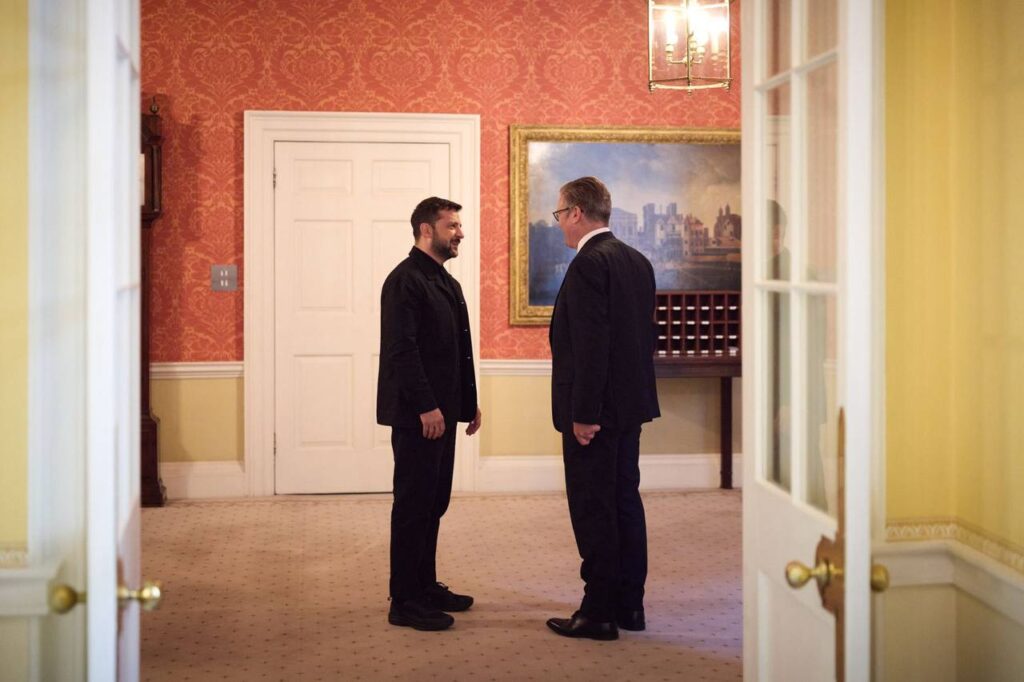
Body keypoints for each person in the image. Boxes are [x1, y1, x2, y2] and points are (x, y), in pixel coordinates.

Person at [545, 177, 661, 641]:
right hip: (629, 406)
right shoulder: (637, 260)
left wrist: (584, 413)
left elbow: (591, 347)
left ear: (576, 212)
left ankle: (597, 611)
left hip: (596, 414)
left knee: (594, 507)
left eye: (560, 214)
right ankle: (630, 605)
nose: (559, 223)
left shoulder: (588, 264)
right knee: (624, 501)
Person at [377, 196, 482, 631]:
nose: (460, 233)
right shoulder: (404, 281)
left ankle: (424, 585)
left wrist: (468, 403)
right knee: (413, 504)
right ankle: (404, 600)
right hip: (418, 415)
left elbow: (457, 350)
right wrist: (426, 406)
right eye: (451, 226)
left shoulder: (445, 281)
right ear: (426, 230)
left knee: (434, 502)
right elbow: (402, 350)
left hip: (443, 413)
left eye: (458, 226)